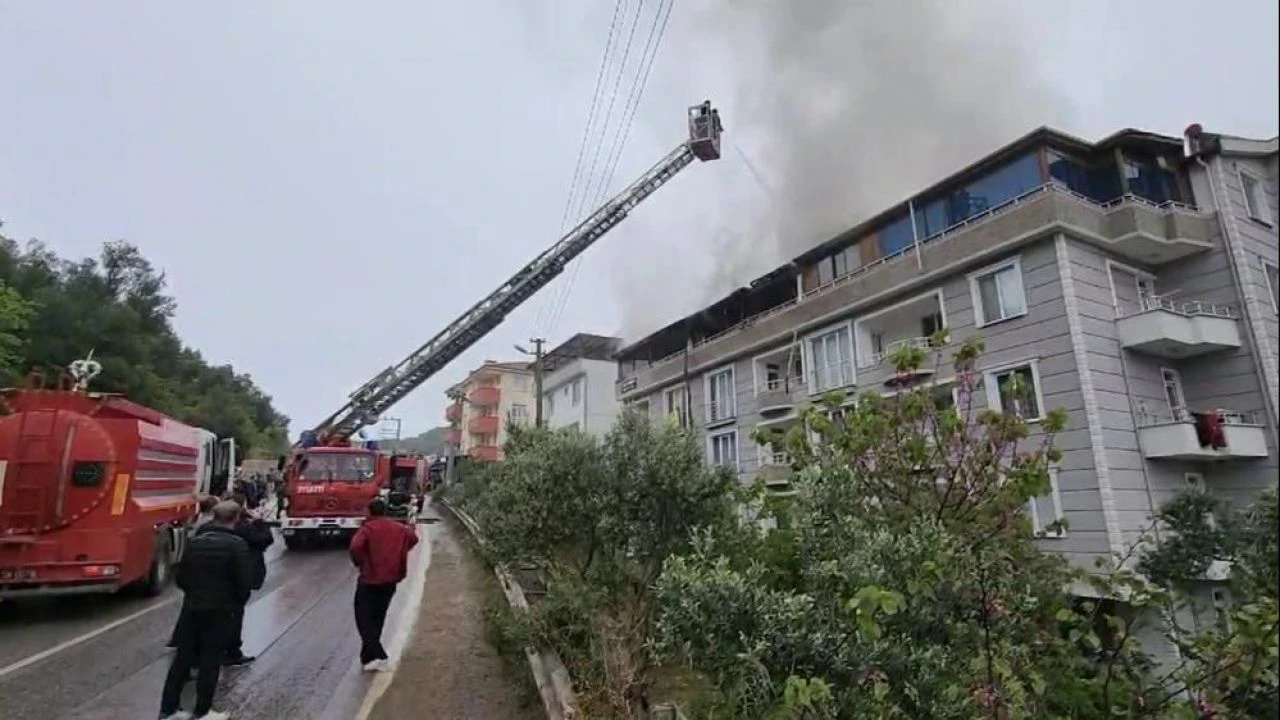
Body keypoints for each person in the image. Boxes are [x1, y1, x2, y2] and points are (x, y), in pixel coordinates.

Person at [159, 500, 251, 720]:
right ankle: (203, 711)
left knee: (182, 660)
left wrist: (194, 594)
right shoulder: (237, 545)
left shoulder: (195, 542)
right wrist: (234, 603)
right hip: (219, 611)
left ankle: (168, 709)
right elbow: (243, 582)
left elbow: (181, 577)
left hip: (192, 608)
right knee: (210, 662)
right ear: (235, 519)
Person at [348, 497, 419, 671]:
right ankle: (367, 657)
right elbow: (413, 538)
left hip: (369, 580)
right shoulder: (398, 528)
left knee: (363, 618)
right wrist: (399, 553)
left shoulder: (367, 529)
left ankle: (379, 654)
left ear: (369, 511)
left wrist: (361, 562)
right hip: (390, 580)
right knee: (378, 617)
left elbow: (356, 547)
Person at [222, 492, 274, 666]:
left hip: (222, 578)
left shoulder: (212, 528)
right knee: (235, 615)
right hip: (241, 577)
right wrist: (261, 523)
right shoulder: (244, 527)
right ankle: (232, 651)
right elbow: (265, 539)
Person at [166, 495, 221, 649]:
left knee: (188, 610)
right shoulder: (210, 526)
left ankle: (179, 639)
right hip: (205, 579)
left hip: (194, 577)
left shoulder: (196, 522)